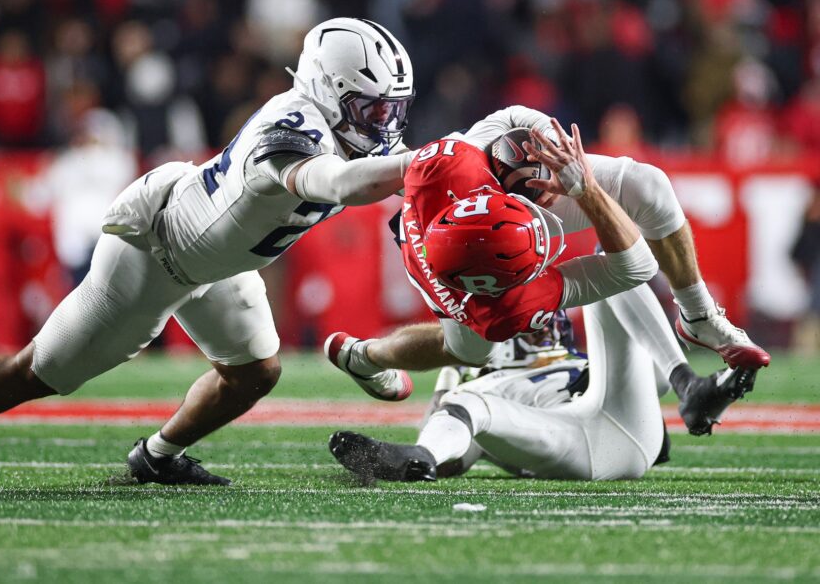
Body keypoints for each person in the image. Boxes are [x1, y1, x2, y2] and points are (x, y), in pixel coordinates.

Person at [0, 18, 417, 487]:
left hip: (218, 259)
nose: (384, 123)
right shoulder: (295, 127)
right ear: (326, 90)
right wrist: (428, 163)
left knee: (255, 373)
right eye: (372, 109)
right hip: (157, 250)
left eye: (392, 110)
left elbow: (397, 178)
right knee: (37, 373)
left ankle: (157, 455)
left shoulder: (350, 137)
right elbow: (344, 183)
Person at [325, 106, 767, 430]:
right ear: (519, 278)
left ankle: (699, 315)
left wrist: (548, 144)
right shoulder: (502, 311)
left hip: (450, 210)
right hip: (452, 269)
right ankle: (367, 357)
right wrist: (587, 192)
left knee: (647, 184)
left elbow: (510, 115)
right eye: (538, 248)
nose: (550, 236)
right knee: (471, 349)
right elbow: (634, 266)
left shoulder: (448, 164)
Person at [330, 283, 747, 482]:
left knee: (619, 267)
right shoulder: (482, 382)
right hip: (567, 444)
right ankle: (410, 457)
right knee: (466, 403)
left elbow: (648, 380)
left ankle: (690, 384)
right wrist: (446, 387)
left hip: (618, 418)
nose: (539, 323)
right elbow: (454, 458)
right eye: (521, 315)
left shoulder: (579, 361)